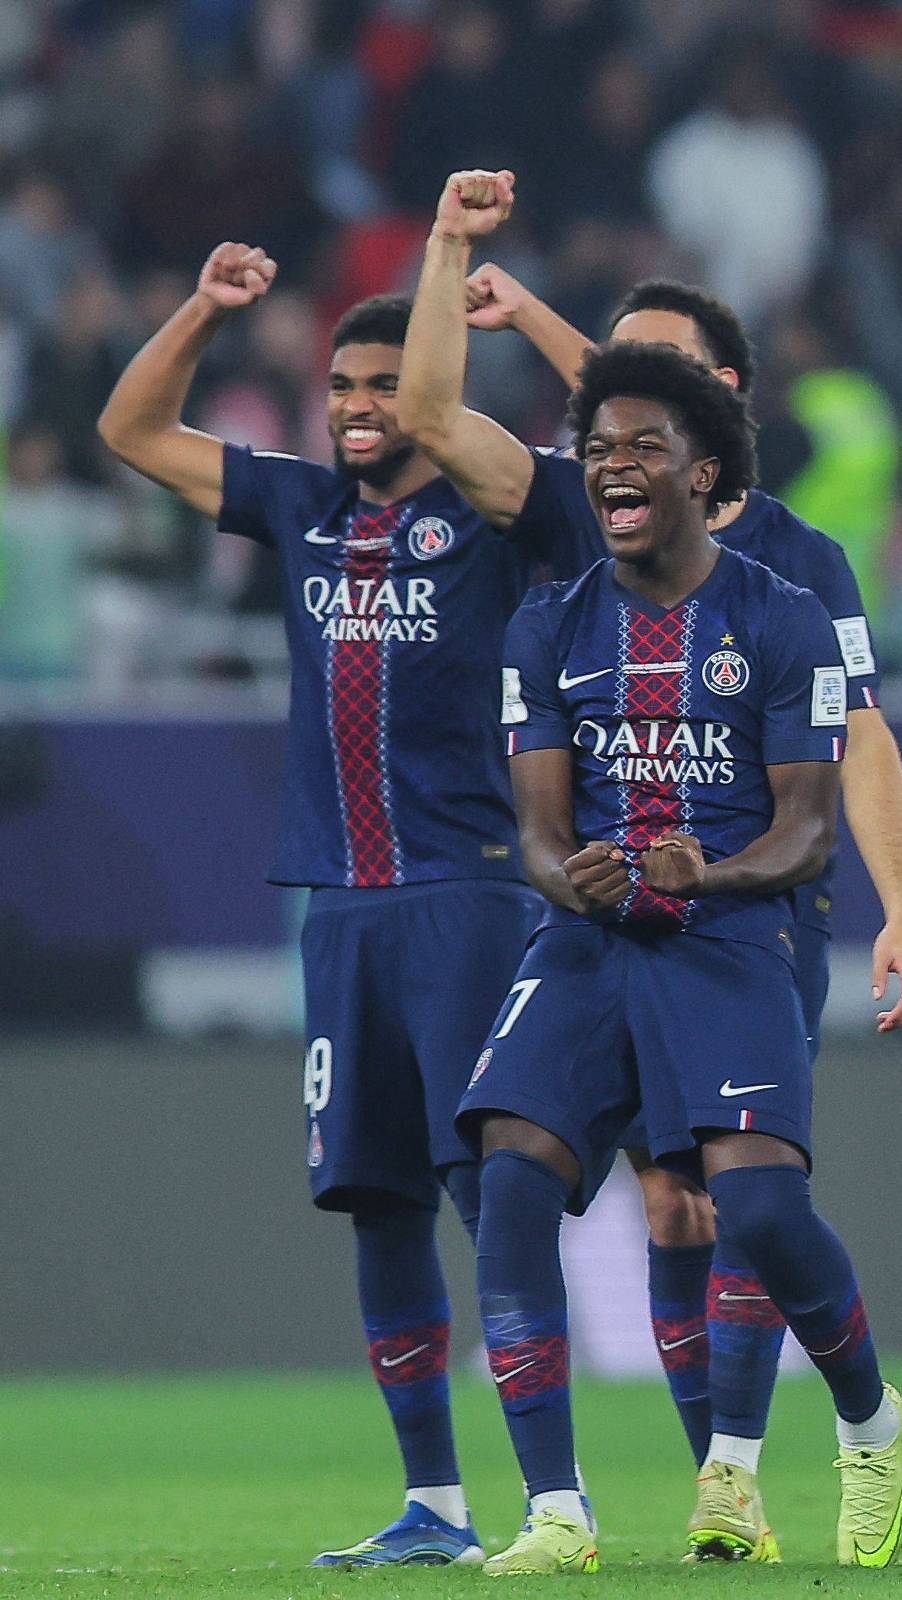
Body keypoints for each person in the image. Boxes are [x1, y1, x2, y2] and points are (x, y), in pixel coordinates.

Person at [395, 170, 902, 1491]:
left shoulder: (799, 566)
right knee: (640, 1194)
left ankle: (739, 1470)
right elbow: (435, 415)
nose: (618, 428)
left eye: (660, 388)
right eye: (607, 408)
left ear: (721, 405)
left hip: (749, 906)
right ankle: (692, 1489)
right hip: (598, 908)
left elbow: (862, 737)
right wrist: (457, 257)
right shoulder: (580, 512)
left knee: (722, 1199)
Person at [97, 248, 547, 1566]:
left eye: (384, 385)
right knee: (377, 1198)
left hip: (464, 891)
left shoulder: (490, 510)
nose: (356, 405)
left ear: (431, 393)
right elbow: (132, 430)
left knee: (490, 1196)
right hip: (339, 906)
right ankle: (436, 1508)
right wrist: (203, 309)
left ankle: (557, 1502)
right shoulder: (298, 506)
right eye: (341, 384)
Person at [459, 340, 902, 1574]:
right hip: (588, 939)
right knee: (510, 1176)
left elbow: (808, 832)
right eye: (598, 448)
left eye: (643, 446)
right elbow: (539, 834)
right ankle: (556, 1510)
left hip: (732, 934)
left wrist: (703, 873)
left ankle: (868, 1418)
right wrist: (578, 877)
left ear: (704, 472)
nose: (614, 465)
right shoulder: (548, 624)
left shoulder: (784, 615)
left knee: (757, 1207)